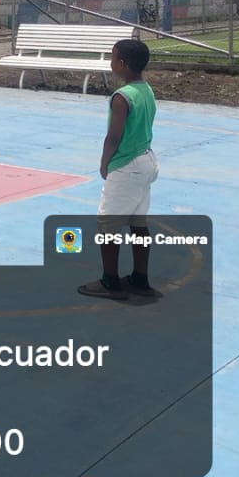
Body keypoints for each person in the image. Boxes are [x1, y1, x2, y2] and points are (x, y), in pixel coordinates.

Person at [78, 38, 159, 300]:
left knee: (108, 224)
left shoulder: (121, 97)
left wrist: (104, 162)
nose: (111, 62)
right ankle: (140, 279)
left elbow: (114, 136)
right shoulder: (146, 90)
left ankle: (110, 281)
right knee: (138, 223)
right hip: (146, 161)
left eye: (112, 58)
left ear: (122, 64)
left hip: (126, 166)